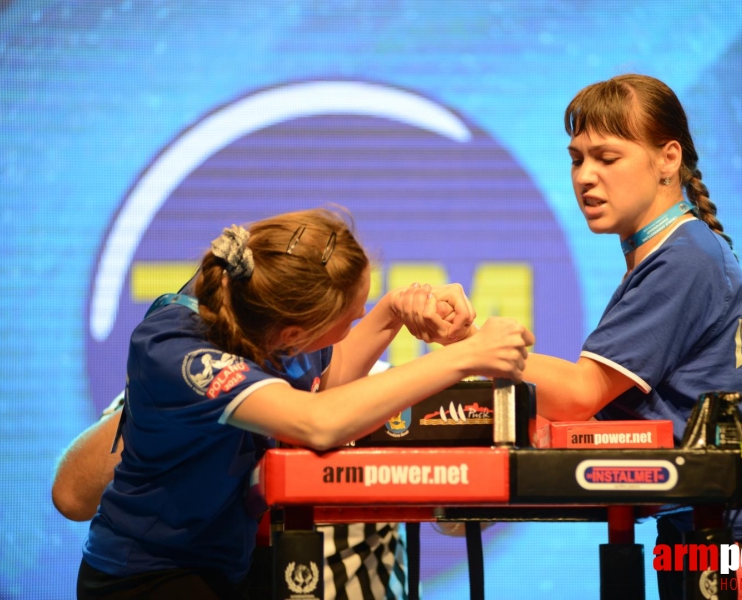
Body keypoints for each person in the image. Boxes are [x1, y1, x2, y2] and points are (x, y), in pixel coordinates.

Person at [72, 207, 534, 599]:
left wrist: (395, 310)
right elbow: (318, 421)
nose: (360, 321)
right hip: (144, 577)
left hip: (222, 564)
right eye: (354, 317)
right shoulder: (179, 352)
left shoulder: (267, 319)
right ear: (296, 334)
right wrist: (468, 355)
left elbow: (330, 380)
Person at [507, 74, 742, 599]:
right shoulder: (677, 252)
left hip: (740, 545)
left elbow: (582, 393)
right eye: (577, 158)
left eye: (607, 157)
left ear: (668, 159)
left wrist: (472, 345)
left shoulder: (684, 259)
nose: (585, 177)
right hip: (702, 532)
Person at [53, 387, 410, 600]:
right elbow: (71, 497)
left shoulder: (382, 389)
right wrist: (177, 392)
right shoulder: (190, 375)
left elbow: (456, 521)